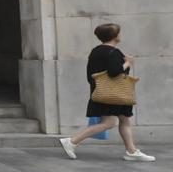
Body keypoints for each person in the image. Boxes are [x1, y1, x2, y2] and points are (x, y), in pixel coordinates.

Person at [60, 23, 154, 161]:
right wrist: (128, 63)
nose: (120, 35)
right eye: (119, 33)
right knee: (110, 122)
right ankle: (72, 141)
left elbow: (90, 75)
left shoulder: (96, 51)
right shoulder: (113, 52)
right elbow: (114, 72)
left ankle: (132, 151)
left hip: (103, 91)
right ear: (115, 36)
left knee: (124, 120)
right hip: (114, 94)